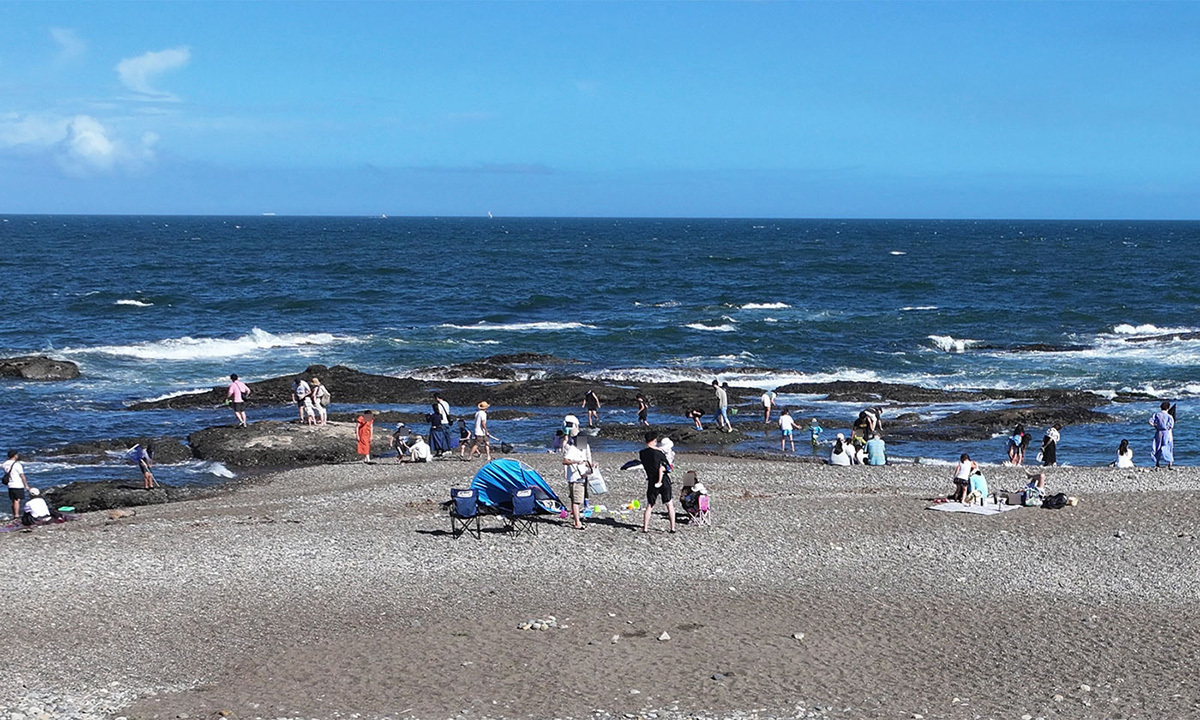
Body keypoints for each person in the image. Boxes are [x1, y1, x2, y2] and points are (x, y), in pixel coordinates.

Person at [638, 431, 676, 533]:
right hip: (663, 480)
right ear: (654, 441)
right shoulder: (658, 453)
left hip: (651, 480)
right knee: (669, 503)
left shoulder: (642, 453)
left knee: (650, 504)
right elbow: (668, 467)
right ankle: (672, 528)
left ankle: (645, 527)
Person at [562, 432, 592, 530]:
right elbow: (565, 461)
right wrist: (575, 462)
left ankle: (576, 519)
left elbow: (584, 462)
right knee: (577, 501)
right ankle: (577, 522)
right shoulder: (572, 449)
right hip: (575, 478)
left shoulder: (582, 449)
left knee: (575, 500)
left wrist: (591, 465)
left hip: (581, 476)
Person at [4, 450, 30, 519]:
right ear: (15, 456)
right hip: (17, 484)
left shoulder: (5, 463)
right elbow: (22, 475)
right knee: (17, 500)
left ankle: (14, 514)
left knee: (13, 500)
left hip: (10, 484)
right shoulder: (17, 464)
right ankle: (16, 515)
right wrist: (26, 485)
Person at [1150, 401, 1175, 468]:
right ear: (1168, 408)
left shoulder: (1156, 414)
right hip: (1167, 432)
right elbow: (1171, 426)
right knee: (1168, 446)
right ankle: (1170, 462)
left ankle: (1157, 462)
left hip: (1158, 432)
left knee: (1157, 446)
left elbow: (1151, 421)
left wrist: (1156, 426)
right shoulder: (1169, 416)